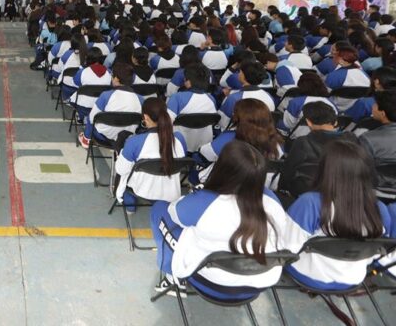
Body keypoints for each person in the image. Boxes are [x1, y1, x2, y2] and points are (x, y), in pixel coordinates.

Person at [149, 140, 300, 297]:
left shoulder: (206, 201)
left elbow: (174, 214)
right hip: (259, 284)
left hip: (210, 283)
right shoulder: (272, 200)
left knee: (159, 209)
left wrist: (195, 196)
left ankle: (172, 276)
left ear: (222, 168)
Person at [286, 139, 390, 290]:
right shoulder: (379, 209)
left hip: (308, 275)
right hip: (353, 279)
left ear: (326, 169)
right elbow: (375, 252)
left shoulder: (310, 203)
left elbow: (288, 248)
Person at [114, 98, 187, 212]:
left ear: (146, 117)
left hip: (142, 191)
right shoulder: (179, 139)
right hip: (171, 193)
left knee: (124, 166)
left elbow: (121, 170)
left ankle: (130, 206)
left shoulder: (134, 141)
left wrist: (120, 154)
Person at [79, 63, 144, 148]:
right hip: (127, 137)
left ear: (116, 79)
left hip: (103, 136)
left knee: (90, 117)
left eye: (112, 75)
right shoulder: (140, 99)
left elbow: (92, 118)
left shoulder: (106, 95)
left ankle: (86, 139)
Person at [359, 90, 396, 200]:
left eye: (375, 106)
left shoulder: (367, 139)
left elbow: (360, 171)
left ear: (383, 113)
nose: (372, 108)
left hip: (376, 195)